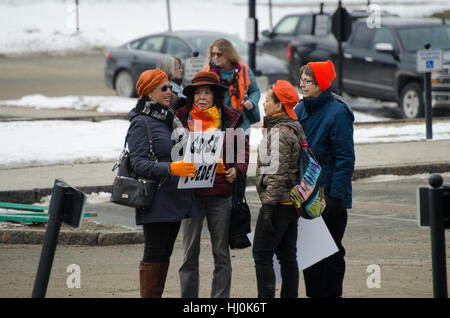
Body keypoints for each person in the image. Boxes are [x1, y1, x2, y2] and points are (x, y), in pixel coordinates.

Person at [175, 71, 249, 298]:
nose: (201, 97)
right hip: (191, 195)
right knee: (189, 254)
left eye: (206, 92)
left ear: (215, 95)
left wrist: (237, 170)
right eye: (197, 92)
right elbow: (172, 152)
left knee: (221, 254)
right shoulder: (181, 119)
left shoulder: (230, 119)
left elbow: (242, 151)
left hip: (221, 195)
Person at [126, 69, 197, 298]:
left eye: (169, 87)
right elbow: (138, 163)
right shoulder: (141, 122)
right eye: (163, 88)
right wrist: (170, 168)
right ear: (148, 92)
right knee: (155, 251)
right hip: (155, 199)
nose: (169, 91)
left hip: (175, 197)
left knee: (165, 252)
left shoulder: (169, 117)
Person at [294, 60, 355, 298]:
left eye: (308, 81)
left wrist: (336, 197)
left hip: (329, 193)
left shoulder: (338, 112)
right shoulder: (301, 108)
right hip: (306, 192)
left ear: (321, 84)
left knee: (330, 252)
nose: (302, 84)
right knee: (309, 252)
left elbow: (345, 159)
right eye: (301, 80)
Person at [252, 80, 307, 298]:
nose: (263, 104)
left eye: (267, 100)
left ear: (279, 105)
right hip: (291, 203)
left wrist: (268, 207)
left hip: (278, 204)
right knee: (287, 257)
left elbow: (276, 173)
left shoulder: (278, 134)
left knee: (262, 254)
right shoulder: (292, 127)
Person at [205, 38, 260, 203]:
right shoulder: (209, 71)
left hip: (241, 127)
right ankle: (221, 204)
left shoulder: (243, 70)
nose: (215, 57)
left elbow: (255, 91)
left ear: (228, 55)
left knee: (239, 167)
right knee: (221, 168)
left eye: (219, 54)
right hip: (217, 128)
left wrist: (252, 101)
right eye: (213, 54)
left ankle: (237, 203)